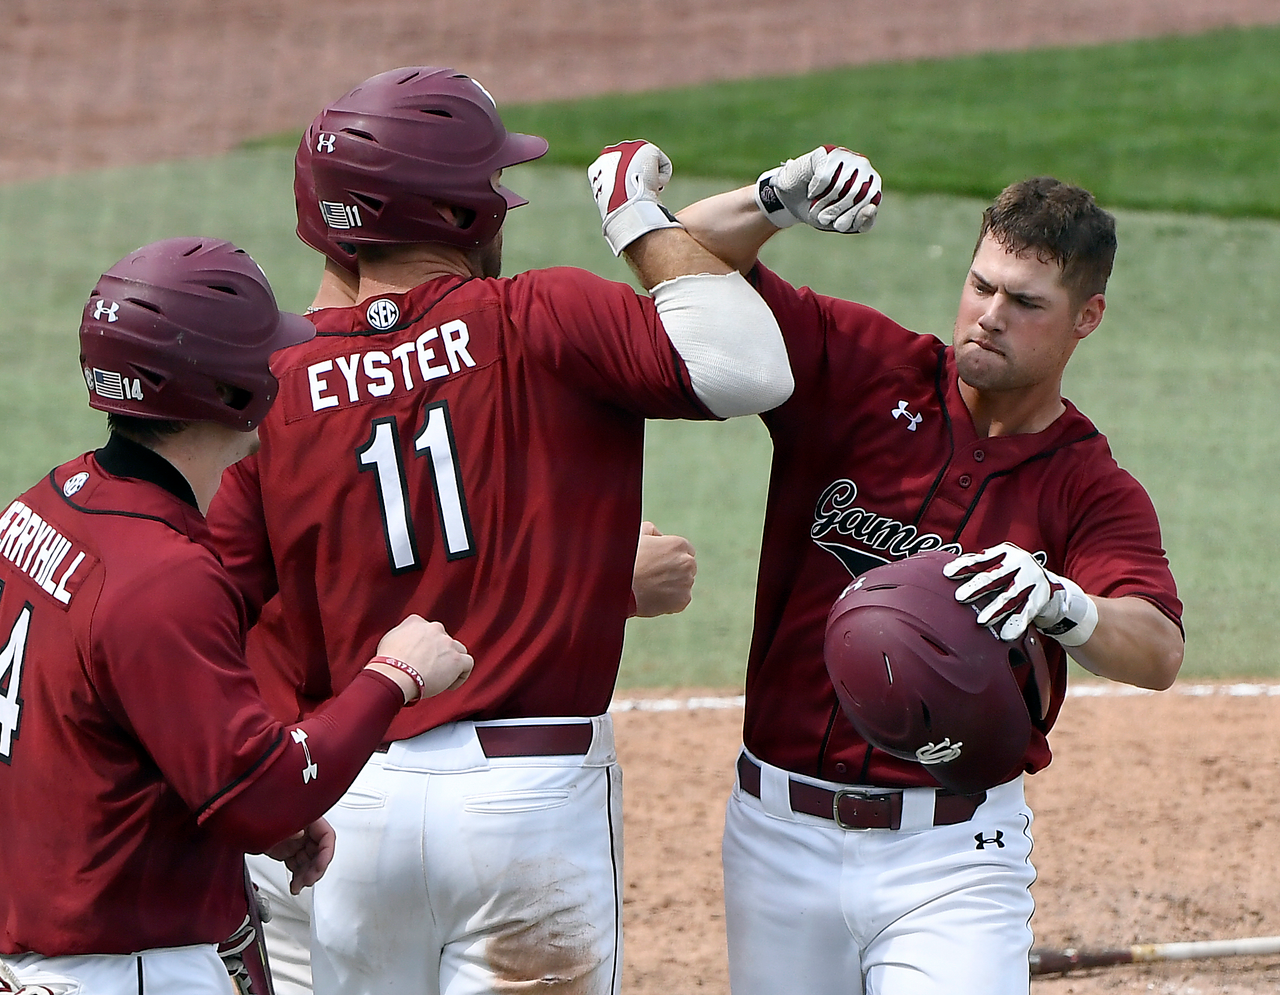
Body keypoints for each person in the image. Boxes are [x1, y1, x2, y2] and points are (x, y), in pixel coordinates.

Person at [206, 66, 791, 995]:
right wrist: (636, 217)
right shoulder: (539, 316)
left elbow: (221, 613)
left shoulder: (272, 388)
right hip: (530, 808)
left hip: (350, 806)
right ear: (459, 213)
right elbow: (749, 369)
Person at [622, 145, 1185, 994]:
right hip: (779, 837)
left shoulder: (1087, 483)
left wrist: (1061, 602)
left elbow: (1158, 649)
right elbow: (677, 250)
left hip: (955, 854)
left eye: (1025, 301)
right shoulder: (863, 369)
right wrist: (775, 198)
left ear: (1087, 317)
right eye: (980, 284)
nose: (989, 315)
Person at [0, 237, 473, 995]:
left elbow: (86, 727)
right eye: (261, 356)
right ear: (225, 391)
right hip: (125, 970)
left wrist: (213, 793)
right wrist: (394, 676)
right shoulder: (164, 577)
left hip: (41, 955)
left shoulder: (41, 508)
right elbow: (264, 795)